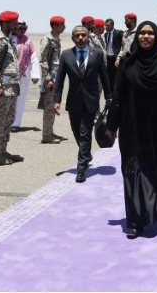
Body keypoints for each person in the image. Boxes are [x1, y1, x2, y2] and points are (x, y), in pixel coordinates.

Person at [106, 21, 157, 238]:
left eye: (150, 33)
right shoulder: (127, 63)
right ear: (137, 37)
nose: (146, 36)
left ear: (156, 36)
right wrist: (112, 125)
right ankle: (133, 220)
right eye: (142, 33)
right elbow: (118, 95)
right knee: (132, 172)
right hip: (132, 127)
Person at [53, 26, 111, 183]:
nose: (80, 38)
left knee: (85, 133)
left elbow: (104, 76)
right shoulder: (66, 55)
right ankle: (86, 154)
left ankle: (81, 167)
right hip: (73, 101)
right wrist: (56, 100)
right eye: (77, 36)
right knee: (77, 131)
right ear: (73, 38)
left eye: (83, 35)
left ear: (88, 37)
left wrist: (108, 97)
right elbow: (59, 80)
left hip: (90, 100)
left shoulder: (97, 54)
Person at [0, 11, 23, 166]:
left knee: (8, 120)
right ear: (5, 23)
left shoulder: (9, 39)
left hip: (12, 88)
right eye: (14, 23)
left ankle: (2, 149)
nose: (16, 26)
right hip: (2, 88)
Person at [39, 15, 67, 144]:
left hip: (55, 77)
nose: (64, 27)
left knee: (52, 105)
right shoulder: (47, 39)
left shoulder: (56, 39)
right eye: (62, 25)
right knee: (49, 107)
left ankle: (49, 131)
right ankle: (46, 135)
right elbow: (43, 60)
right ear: (55, 26)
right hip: (50, 78)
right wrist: (47, 78)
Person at [10, 22, 40, 132]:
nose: (23, 30)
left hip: (23, 75)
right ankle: (6, 122)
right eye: (20, 28)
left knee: (20, 99)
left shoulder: (27, 41)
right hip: (8, 75)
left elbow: (34, 58)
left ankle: (16, 123)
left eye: (25, 28)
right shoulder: (7, 39)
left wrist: (35, 74)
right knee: (8, 99)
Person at [104, 18, 124, 87]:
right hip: (108, 58)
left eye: (107, 25)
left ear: (112, 25)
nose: (105, 27)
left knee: (117, 76)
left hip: (116, 58)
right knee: (109, 76)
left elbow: (123, 45)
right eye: (105, 25)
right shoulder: (106, 34)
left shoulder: (119, 33)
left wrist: (119, 56)